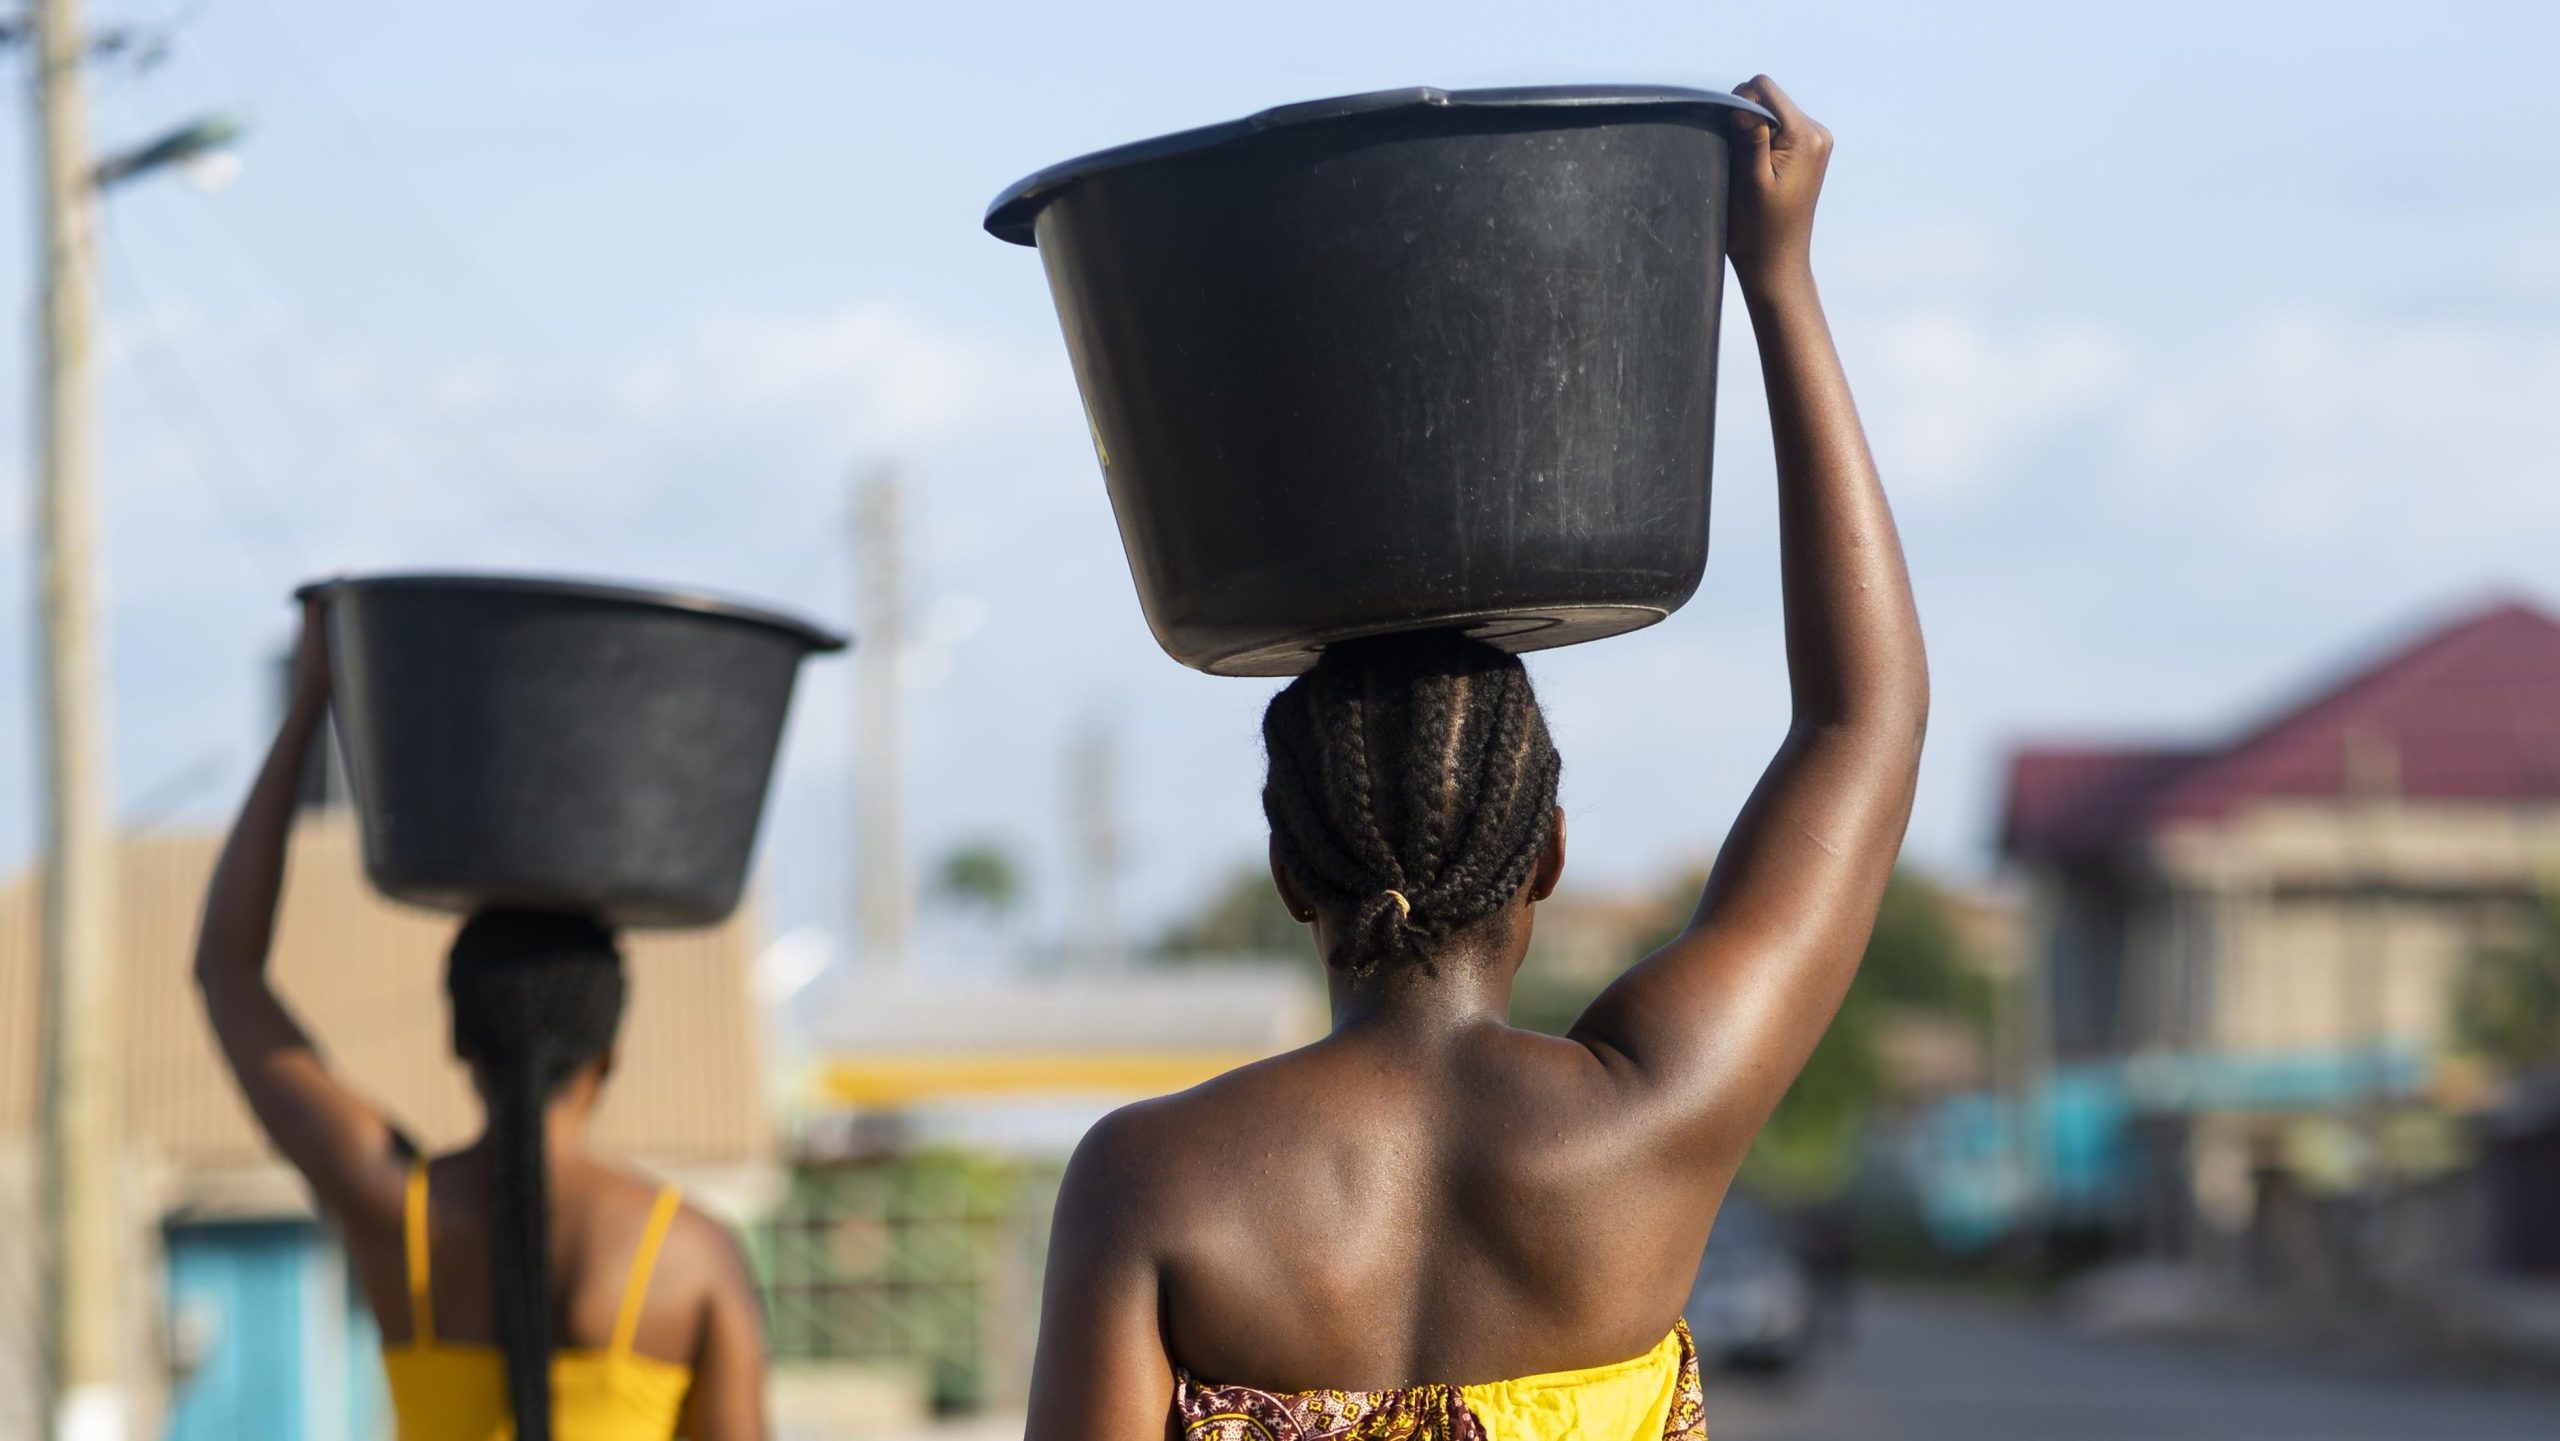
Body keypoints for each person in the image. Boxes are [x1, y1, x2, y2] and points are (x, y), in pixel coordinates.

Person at [1027, 75, 1925, 1440]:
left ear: (1288, 871)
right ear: (1548, 853)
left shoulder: (1149, 1181)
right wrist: (1778, 277)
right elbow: (1864, 722)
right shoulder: (1652, 1111)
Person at [195, 604, 770, 1441]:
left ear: (457, 1034)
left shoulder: (402, 1211)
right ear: (610, 1051)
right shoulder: (689, 1254)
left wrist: (312, 696)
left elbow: (227, 969)